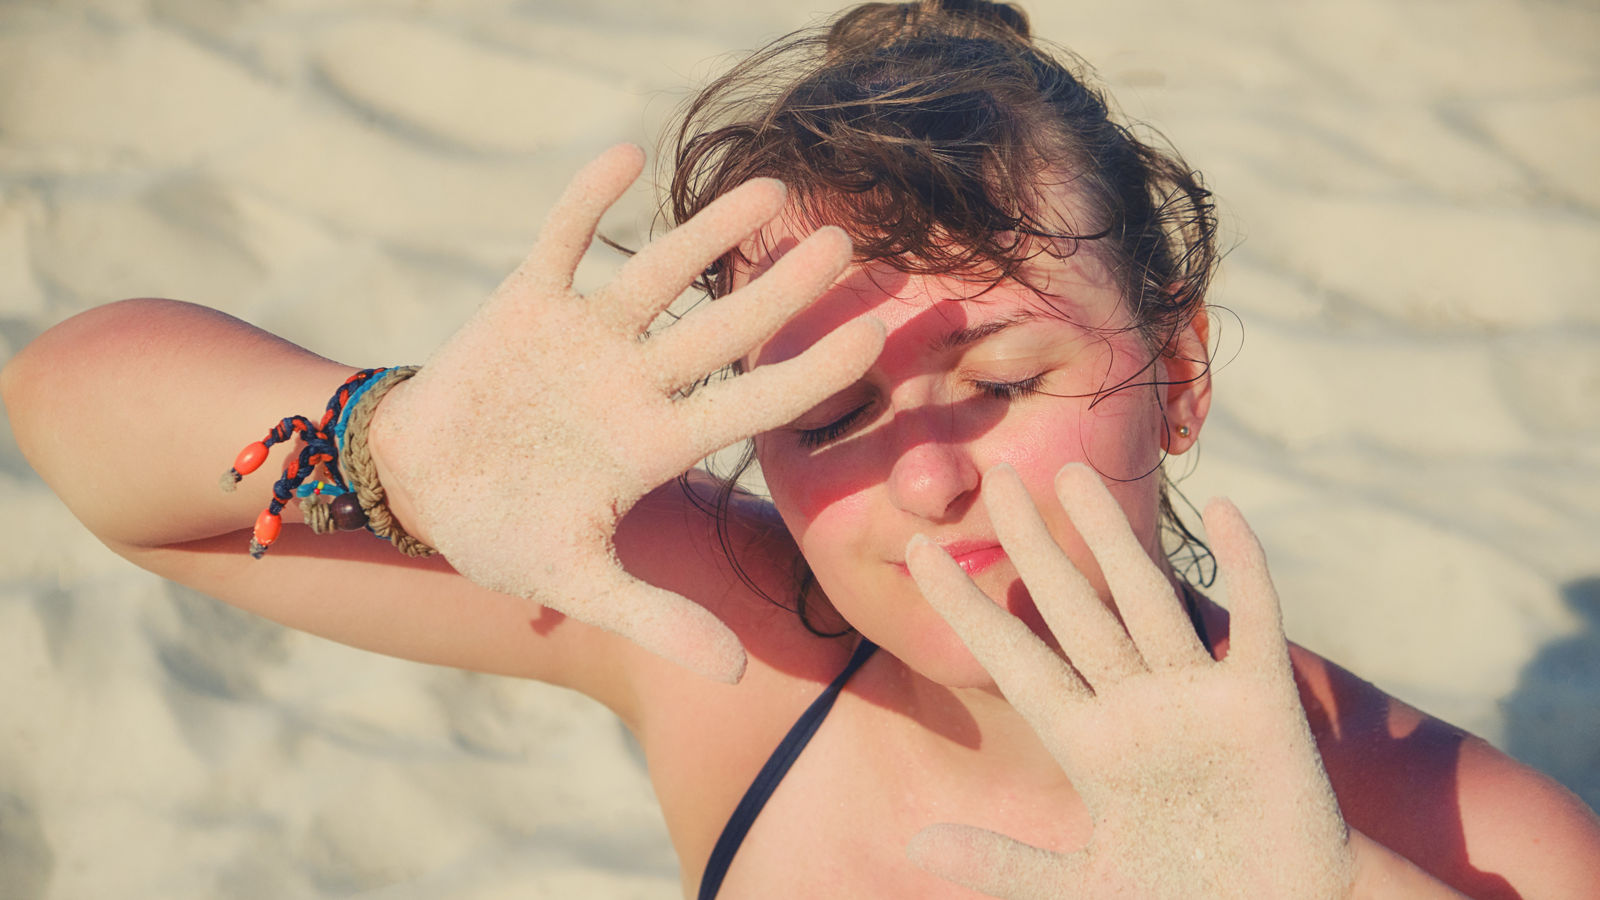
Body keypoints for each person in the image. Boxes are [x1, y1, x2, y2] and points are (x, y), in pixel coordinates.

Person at [5, 1, 1598, 896]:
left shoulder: (1479, 841)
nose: (918, 477)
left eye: (996, 373)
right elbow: (83, 428)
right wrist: (395, 450)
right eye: (826, 411)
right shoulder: (741, 642)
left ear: (1176, 375)